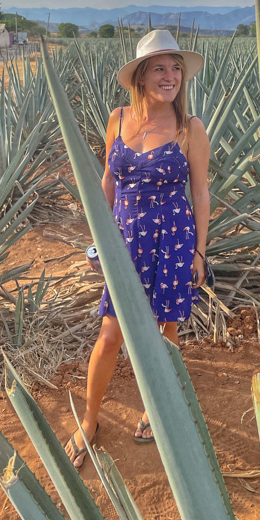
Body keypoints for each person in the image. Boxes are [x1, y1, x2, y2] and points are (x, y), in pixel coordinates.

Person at [65, 29, 210, 468]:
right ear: (141, 77)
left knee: (165, 331)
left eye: (176, 69)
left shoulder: (190, 128)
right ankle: (90, 419)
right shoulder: (118, 117)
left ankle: (156, 407)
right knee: (111, 334)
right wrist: (99, 241)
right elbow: (109, 180)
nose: (170, 77)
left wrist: (200, 253)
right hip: (125, 240)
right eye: (160, 68)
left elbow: (200, 193)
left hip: (172, 237)